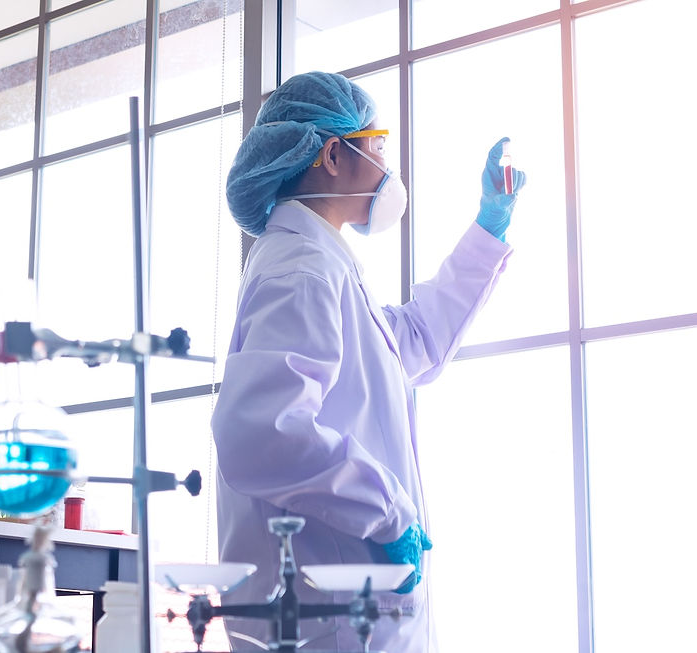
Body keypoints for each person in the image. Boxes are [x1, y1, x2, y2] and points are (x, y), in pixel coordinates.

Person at [210, 71, 526, 652]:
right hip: (325, 617)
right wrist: (389, 512)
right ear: (333, 154)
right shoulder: (301, 268)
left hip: (342, 610)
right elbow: (261, 434)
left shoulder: (320, 262)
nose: (385, 165)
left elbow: (410, 345)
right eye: (377, 145)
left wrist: (489, 227)